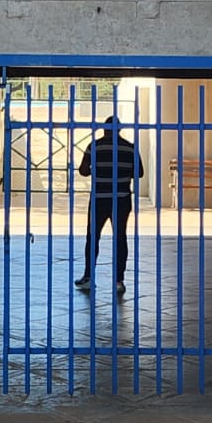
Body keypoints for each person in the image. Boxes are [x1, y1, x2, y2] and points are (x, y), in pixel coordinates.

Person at [75, 116, 143, 296]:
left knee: (93, 237)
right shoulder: (130, 147)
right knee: (120, 237)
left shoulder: (94, 146)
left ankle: (89, 277)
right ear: (120, 129)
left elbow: (82, 171)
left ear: (104, 129)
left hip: (99, 197)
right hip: (121, 198)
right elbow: (139, 173)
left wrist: (96, 169)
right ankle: (118, 281)